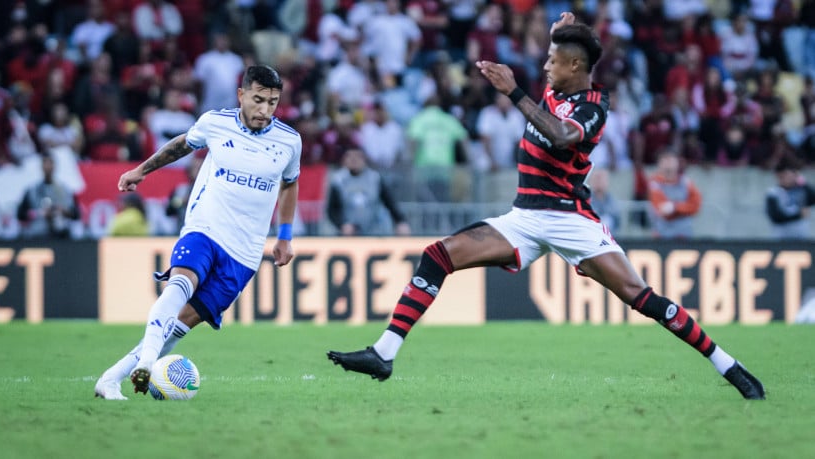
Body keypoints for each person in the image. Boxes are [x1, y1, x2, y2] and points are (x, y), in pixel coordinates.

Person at [327, 13, 765, 400]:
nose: (545, 67)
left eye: (553, 61)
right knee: (437, 256)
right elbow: (549, 94)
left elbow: (561, 135)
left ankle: (727, 365)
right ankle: (384, 353)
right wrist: (560, 32)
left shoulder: (595, 105)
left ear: (575, 67)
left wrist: (513, 91)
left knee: (640, 296)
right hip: (523, 217)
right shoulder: (556, 87)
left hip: (570, 218)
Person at [95, 65, 301, 400]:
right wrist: (141, 170)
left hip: (244, 253)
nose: (265, 110)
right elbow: (182, 144)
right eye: (259, 99)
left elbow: (290, 185)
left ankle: (110, 379)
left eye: (273, 103)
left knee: (182, 324)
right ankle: (146, 361)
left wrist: (285, 235)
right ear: (242, 95)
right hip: (205, 229)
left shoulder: (290, 141)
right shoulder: (215, 122)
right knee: (180, 284)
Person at [327, 147, 411, 236]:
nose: (353, 160)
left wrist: (400, 221)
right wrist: (342, 225)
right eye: (350, 156)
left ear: (364, 159)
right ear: (344, 160)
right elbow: (332, 210)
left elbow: (389, 202)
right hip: (348, 234)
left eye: (357, 156)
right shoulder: (338, 181)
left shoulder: (375, 179)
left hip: (373, 231)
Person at [16, 153, 81, 239]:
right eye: (45, 163)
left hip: (61, 235)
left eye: (50, 163)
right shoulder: (32, 190)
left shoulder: (66, 190)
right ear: (41, 166)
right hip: (38, 235)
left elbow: (76, 214)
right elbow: (20, 214)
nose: (48, 166)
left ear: (55, 166)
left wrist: (64, 211)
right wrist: (39, 213)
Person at [647, 150, 702, 239]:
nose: (668, 165)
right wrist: (683, 208)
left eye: (671, 161)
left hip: (684, 235)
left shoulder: (686, 182)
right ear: (659, 164)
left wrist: (675, 207)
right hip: (662, 235)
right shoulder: (654, 183)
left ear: (677, 163)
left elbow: (695, 206)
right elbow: (663, 210)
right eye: (665, 161)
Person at [765, 157, 815, 240]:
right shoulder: (773, 193)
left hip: (802, 238)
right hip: (782, 239)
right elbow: (776, 217)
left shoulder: (802, 190)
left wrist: (803, 183)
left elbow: (813, 199)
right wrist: (798, 215)